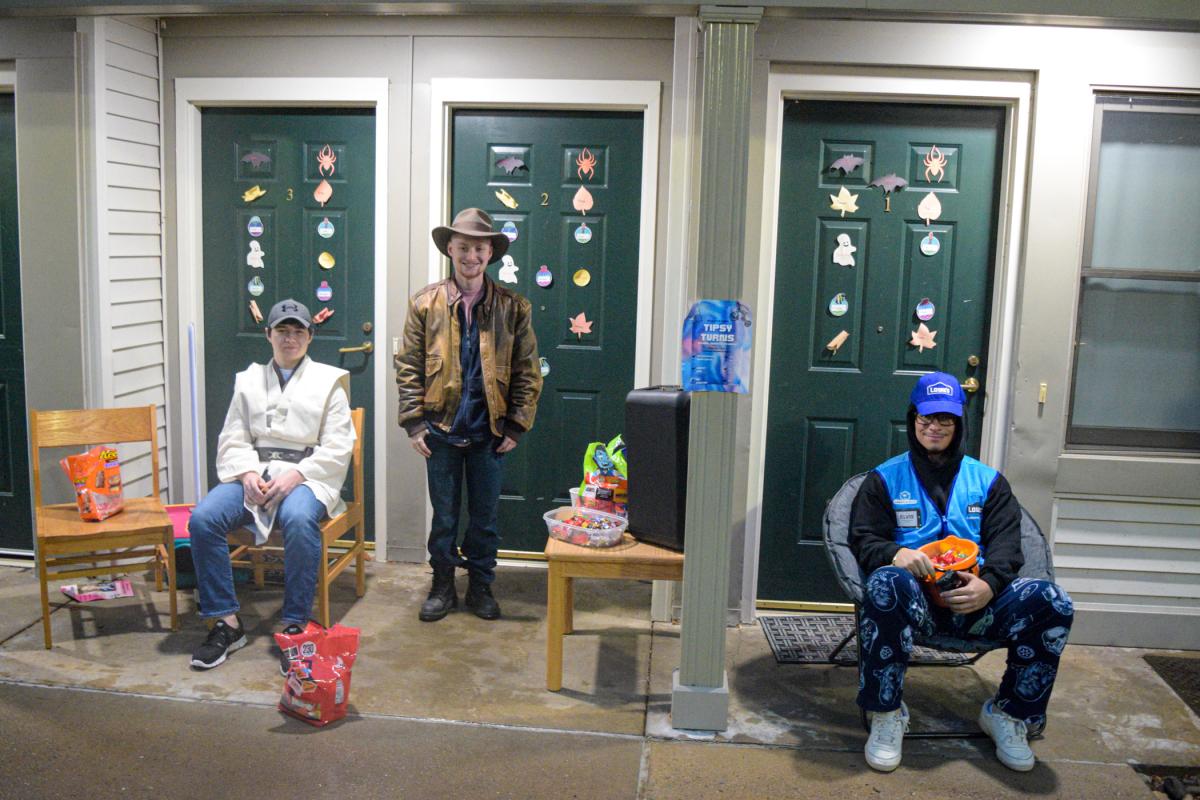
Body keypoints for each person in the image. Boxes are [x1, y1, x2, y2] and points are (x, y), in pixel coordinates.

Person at [850, 372, 1074, 773]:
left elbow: (1008, 546)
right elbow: (863, 539)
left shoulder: (989, 482)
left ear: (959, 424)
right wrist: (895, 553)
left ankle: (1009, 713)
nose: (934, 427)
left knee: (1053, 601)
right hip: (915, 604)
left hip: (979, 605)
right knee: (884, 581)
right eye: (925, 418)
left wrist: (988, 586)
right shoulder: (883, 479)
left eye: (945, 419)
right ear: (912, 419)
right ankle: (885, 712)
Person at [188, 299, 355, 671]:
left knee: (297, 518)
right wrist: (247, 473)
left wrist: (297, 474)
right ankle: (226, 623)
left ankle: (294, 623)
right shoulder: (248, 382)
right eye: (282, 330)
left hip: (307, 475)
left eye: (298, 331)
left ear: (310, 336)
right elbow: (233, 436)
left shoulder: (330, 384)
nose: (290, 338)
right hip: (254, 472)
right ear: (268, 335)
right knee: (203, 519)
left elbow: (339, 444)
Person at [395, 208, 542, 622]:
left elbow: (527, 370)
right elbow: (407, 365)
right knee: (444, 518)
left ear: (490, 252)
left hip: (490, 434)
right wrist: (413, 421)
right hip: (439, 431)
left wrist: (516, 422)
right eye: (463, 247)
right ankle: (442, 586)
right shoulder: (425, 304)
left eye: (479, 248)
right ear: (450, 250)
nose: (471, 256)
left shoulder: (514, 308)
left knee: (485, 519)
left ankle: (481, 586)